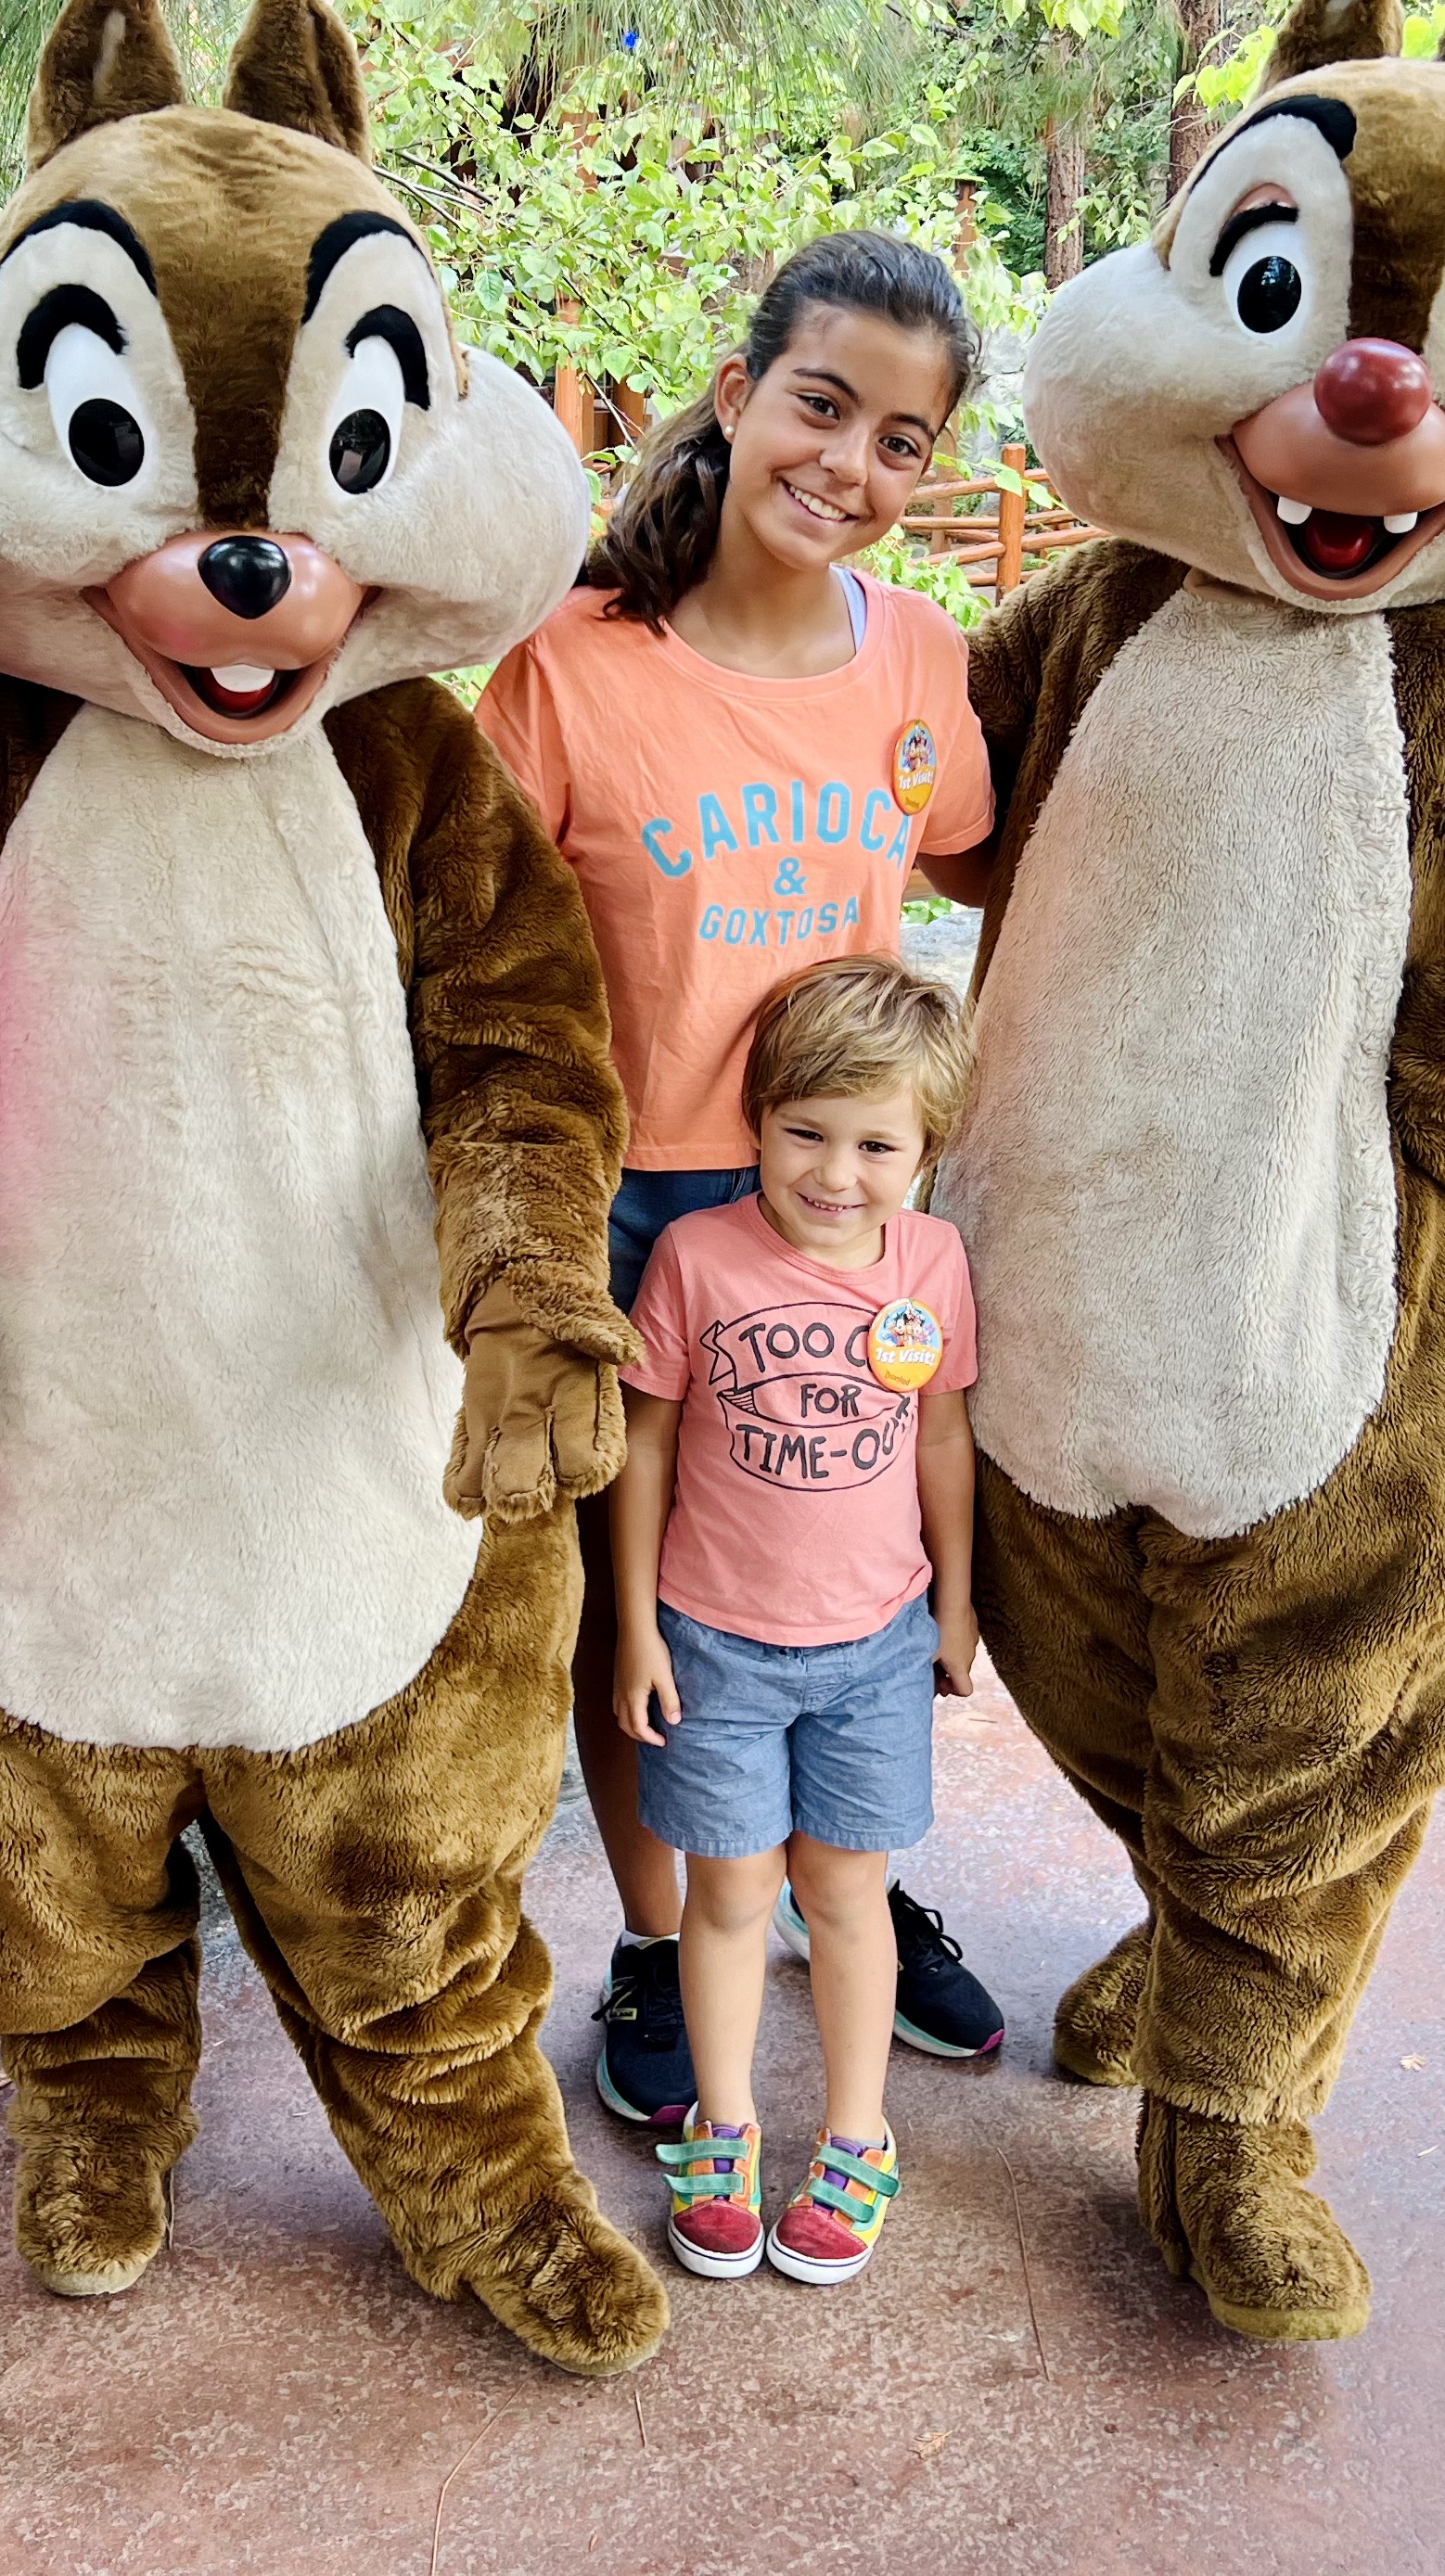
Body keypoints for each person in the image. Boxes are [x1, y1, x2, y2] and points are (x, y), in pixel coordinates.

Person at [476, 232, 1010, 2130]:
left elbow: (971, 861)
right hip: (644, 1211)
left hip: (849, 1214)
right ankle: (660, 1928)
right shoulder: (568, 667)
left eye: (906, 440)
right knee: (664, 1606)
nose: (854, 466)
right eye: (823, 406)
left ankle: (837, 1881)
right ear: (736, 389)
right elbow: (475, 939)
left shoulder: (925, 664)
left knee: (838, 1573)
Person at [608, 957, 979, 2285]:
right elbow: (644, 1444)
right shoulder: (698, 1259)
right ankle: (726, 2126)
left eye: (877, 1144)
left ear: (926, 1148)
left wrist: (958, 1599)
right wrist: (639, 1629)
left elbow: (942, 1438)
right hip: (711, 1643)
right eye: (804, 1133)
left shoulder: (932, 1264)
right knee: (729, 1892)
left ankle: (857, 2136)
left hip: (875, 1646)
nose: (835, 1172)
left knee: (844, 1892)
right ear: (756, 1121)